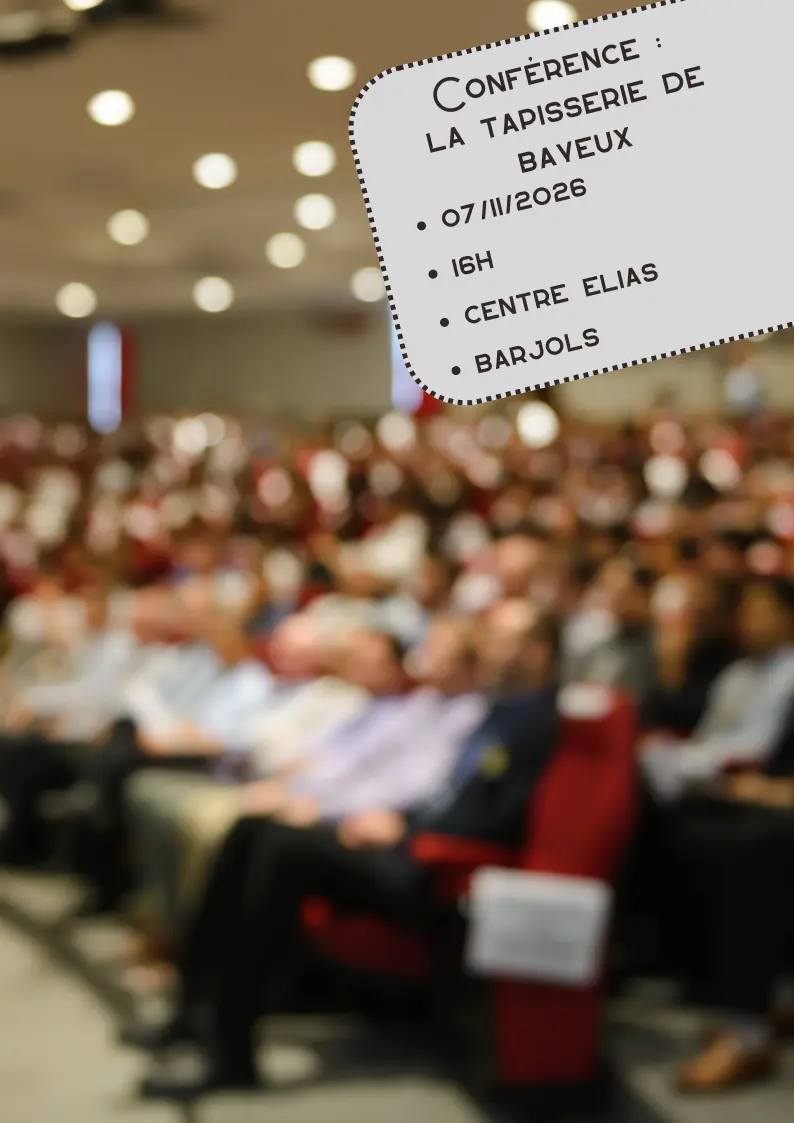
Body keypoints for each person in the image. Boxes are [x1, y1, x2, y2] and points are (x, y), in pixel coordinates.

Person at [121, 610, 561, 1099]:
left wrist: (405, 828)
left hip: (429, 866)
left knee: (281, 849)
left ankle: (230, 1051)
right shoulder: (495, 711)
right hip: (402, 838)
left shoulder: (531, 719)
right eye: (490, 639)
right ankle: (192, 1012)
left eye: (503, 640)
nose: (490, 650)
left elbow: (489, 813)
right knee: (250, 831)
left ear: (539, 652)